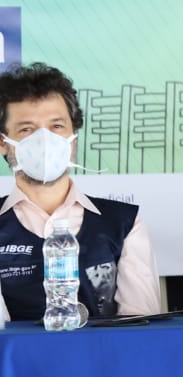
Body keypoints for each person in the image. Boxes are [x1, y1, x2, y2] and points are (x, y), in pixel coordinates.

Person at [0, 63, 161, 322]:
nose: (45, 141)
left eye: (57, 127)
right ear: (3, 144)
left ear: (72, 140)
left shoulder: (124, 223)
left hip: (103, 360)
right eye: (27, 129)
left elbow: (139, 327)